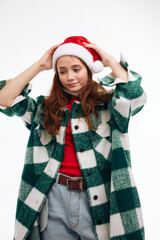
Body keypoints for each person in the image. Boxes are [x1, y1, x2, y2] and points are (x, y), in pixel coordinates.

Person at [0, 36, 146, 240]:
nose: (69, 76)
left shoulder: (109, 107)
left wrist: (109, 61)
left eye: (76, 69)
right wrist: (39, 65)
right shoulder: (44, 109)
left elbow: (134, 94)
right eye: (62, 71)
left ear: (89, 68)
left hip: (97, 200)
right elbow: (4, 99)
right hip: (53, 198)